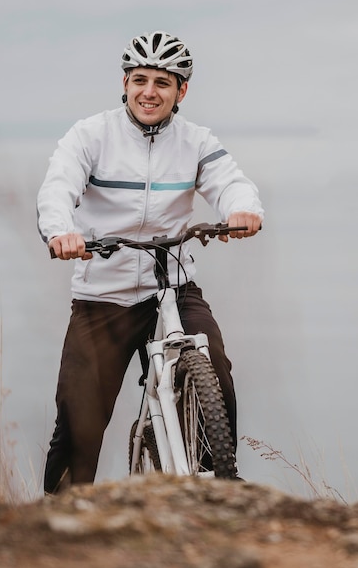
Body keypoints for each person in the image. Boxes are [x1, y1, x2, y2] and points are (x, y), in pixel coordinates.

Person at [37, 30, 264, 493]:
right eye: (139, 79)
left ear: (182, 90)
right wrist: (61, 231)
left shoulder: (196, 142)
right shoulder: (90, 136)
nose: (149, 92)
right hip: (104, 293)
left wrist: (242, 211)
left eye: (163, 82)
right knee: (79, 418)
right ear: (124, 83)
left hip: (172, 287)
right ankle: (63, 511)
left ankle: (219, 478)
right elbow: (57, 188)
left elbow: (230, 182)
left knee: (213, 365)